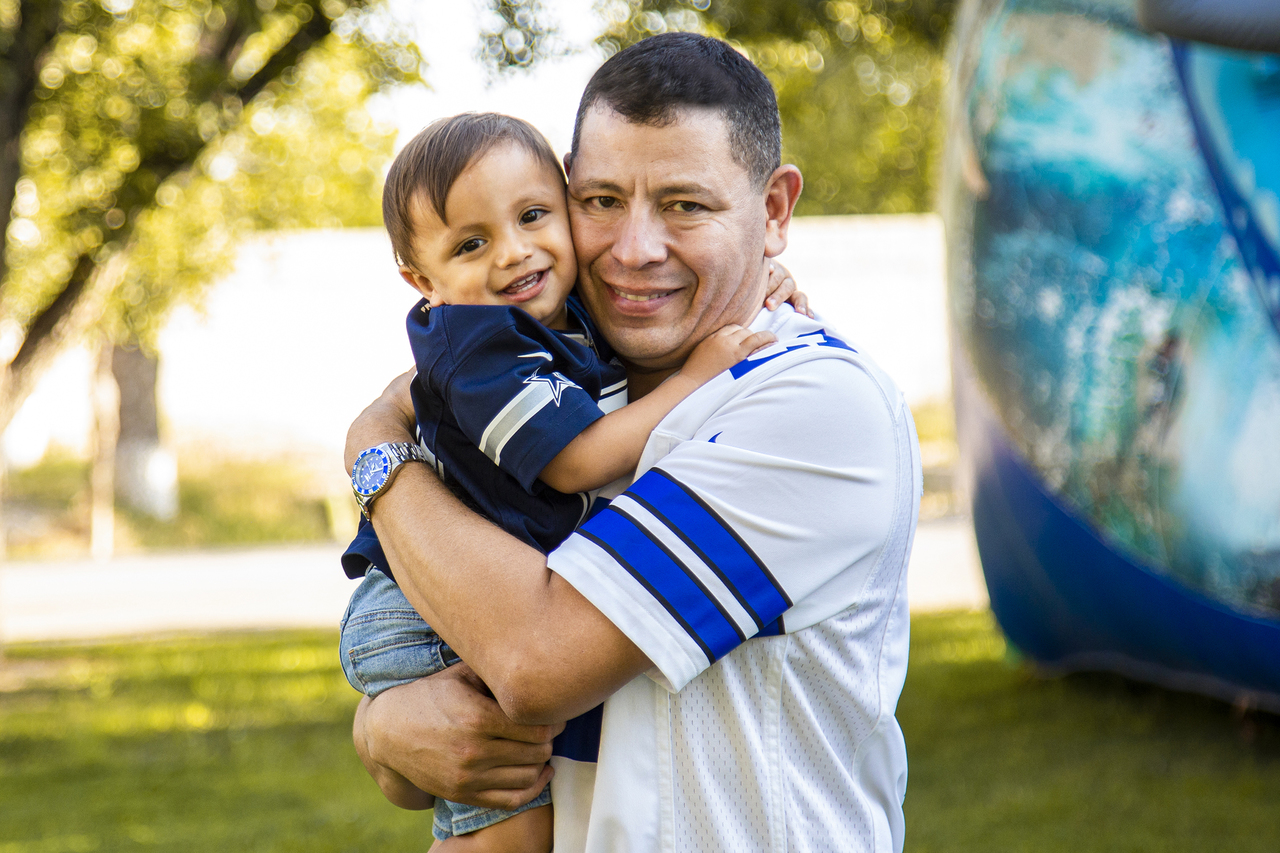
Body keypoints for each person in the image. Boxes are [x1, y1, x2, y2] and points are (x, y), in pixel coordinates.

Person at [345, 32, 921, 853]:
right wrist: (385, 727)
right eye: (602, 200)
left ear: (774, 211)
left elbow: (533, 661)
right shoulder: (583, 379)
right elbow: (442, 752)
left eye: (686, 204)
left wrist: (374, 449)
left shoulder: (815, 405)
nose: (633, 249)